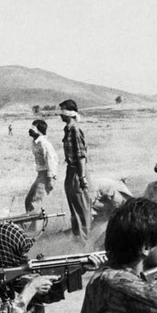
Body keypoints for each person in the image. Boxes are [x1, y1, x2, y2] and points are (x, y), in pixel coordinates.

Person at [59, 99, 91, 242]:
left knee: (81, 209)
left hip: (78, 172)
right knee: (74, 208)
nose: (60, 115)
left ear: (70, 114)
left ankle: (84, 242)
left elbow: (81, 156)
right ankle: (77, 239)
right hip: (71, 171)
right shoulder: (67, 129)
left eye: (63, 111)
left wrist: (82, 177)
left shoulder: (75, 130)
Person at [24, 120, 59, 233]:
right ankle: (33, 228)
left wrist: (51, 179)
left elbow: (51, 160)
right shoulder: (36, 142)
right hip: (41, 174)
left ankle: (35, 231)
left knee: (34, 202)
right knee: (29, 200)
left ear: (39, 131)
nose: (29, 130)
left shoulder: (44, 143)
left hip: (46, 175)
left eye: (32, 128)